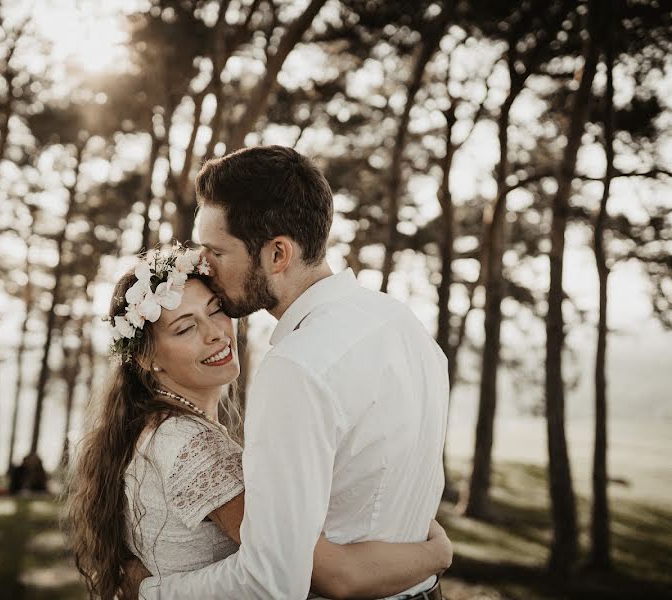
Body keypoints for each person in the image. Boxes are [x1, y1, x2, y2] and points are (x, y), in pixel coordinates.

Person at [124, 146, 451, 599]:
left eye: (217, 250)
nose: (205, 265)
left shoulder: (297, 368)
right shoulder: (404, 326)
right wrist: (436, 555)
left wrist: (149, 592)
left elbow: (270, 581)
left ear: (278, 253)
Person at [62, 245, 451, 600]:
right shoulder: (193, 446)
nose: (215, 333)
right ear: (147, 359)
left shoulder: (159, 427)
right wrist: (435, 554)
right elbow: (324, 572)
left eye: (215, 309)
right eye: (185, 327)